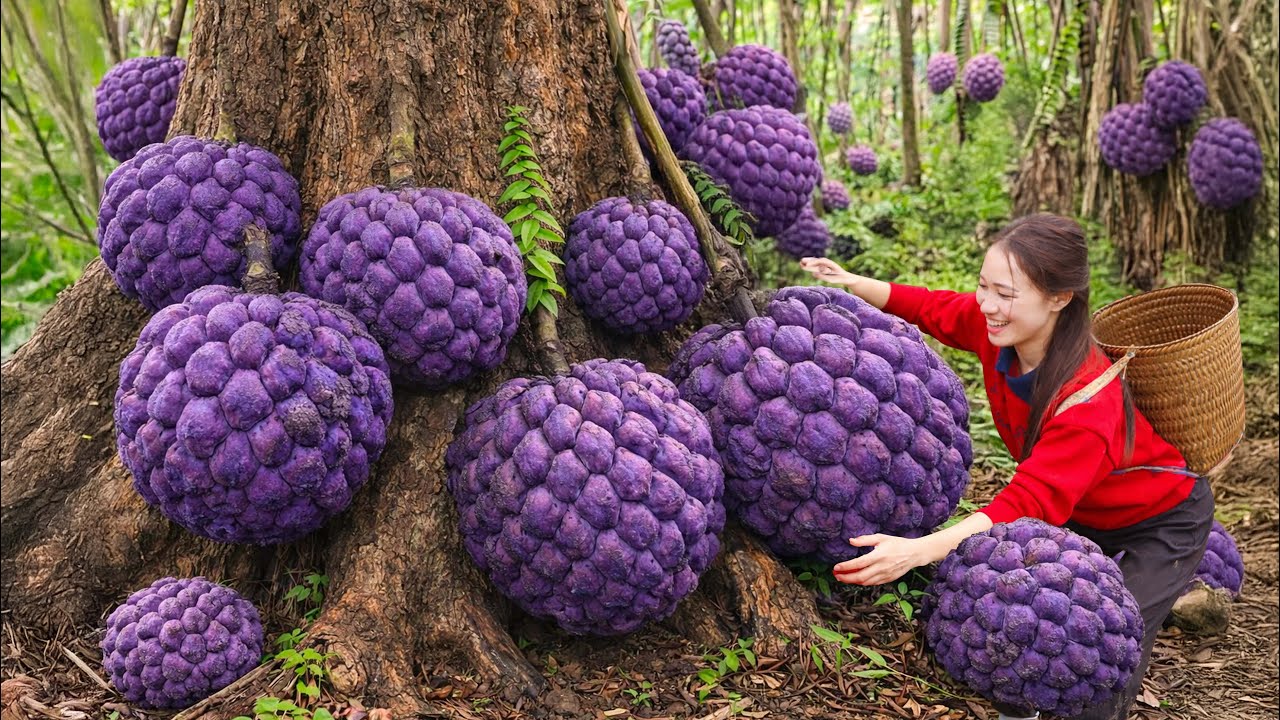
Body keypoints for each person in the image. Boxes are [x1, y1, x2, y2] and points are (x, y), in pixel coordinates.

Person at [799, 213, 1214, 720]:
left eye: (1006, 294)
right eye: (983, 286)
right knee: (1020, 619)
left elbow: (1027, 503)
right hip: (1079, 509)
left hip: (1162, 520)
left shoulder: (1087, 402)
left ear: (1059, 298)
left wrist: (917, 551)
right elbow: (933, 308)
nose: (988, 305)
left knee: (1103, 649)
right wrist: (851, 281)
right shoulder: (997, 329)